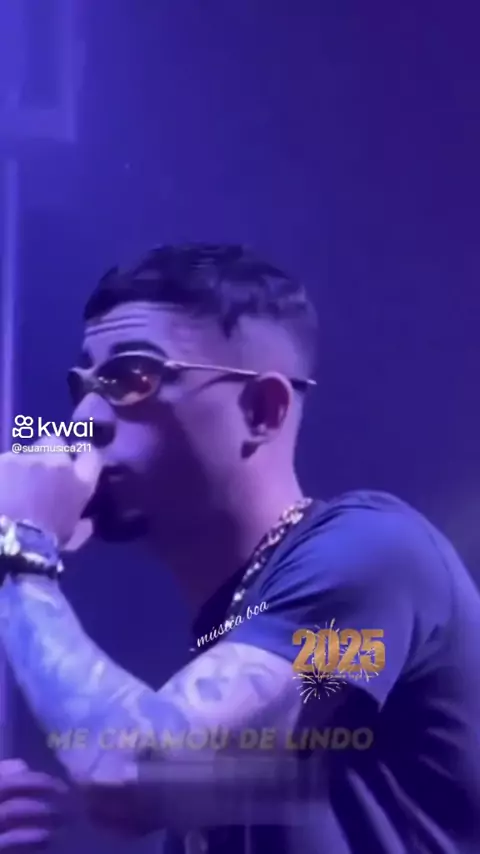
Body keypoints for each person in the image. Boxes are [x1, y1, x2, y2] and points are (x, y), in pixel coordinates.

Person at [0, 243, 479, 853]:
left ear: (263, 410)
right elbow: (145, 790)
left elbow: (136, 775)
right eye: (84, 385)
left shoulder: (379, 557)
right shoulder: (228, 643)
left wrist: (22, 550)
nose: (86, 417)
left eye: (131, 378)